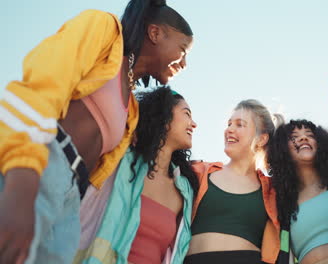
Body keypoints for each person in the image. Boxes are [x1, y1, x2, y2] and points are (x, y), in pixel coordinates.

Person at [0, 0, 194, 262]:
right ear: (155, 33)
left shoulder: (132, 110)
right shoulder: (104, 30)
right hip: (38, 166)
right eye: (183, 50)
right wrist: (21, 184)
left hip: (70, 197)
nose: (184, 64)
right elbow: (37, 93)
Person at [74, 87, 198, 264]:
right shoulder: (120, 162)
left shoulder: (184, 192)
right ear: (164, 115)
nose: (194, 124)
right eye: (187, 114)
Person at [184, 99, 280, 264]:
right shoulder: (199, 171)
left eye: (239, 125)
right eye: (229, 124)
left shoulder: (273, 190)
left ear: (261, 139)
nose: (229, 129)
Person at [269, 119, 328, 264]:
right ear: (282, 149)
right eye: (293, 137)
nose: (303, 138)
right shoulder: (281, 201)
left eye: (309, 135)